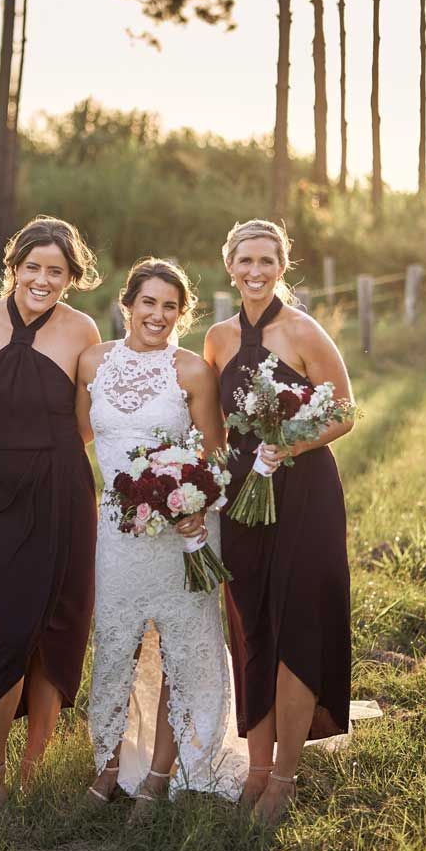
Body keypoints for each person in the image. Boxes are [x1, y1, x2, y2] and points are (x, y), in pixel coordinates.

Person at [77, 258, 247, 813]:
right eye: (148, 302)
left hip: (182, 528)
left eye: (170, 306)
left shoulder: (193, 370)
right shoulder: (92, 362)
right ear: (126, 304)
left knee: (182, 645)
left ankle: (158, 775)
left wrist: (197, 504)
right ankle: (106, 767)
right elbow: (82, 434)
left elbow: (215, 452)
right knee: (118, 645)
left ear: (183, 313)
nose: (158, 315)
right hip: (117, 529)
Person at [205, 219, 354, 825]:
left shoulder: (303, 331)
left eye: (267, 260)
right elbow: (214, 431)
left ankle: (285, 779)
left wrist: (285, 447)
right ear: (229, 265)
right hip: (243, 493)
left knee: (294, 623)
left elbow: (343, 412)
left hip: (303, 491)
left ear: (283, 265)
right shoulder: (216, 338)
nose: (256, 271)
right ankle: (256, 768)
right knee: (251, 626)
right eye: (245, 260)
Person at [0, 216, 101, 803]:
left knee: (58, 627)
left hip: (63, 487)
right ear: (13, 267)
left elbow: (85, 426)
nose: (42, 279)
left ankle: (33, 767)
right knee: (11, 628)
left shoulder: (82, 330)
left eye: (55, 271)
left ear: (71, 278)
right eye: (32, 267)